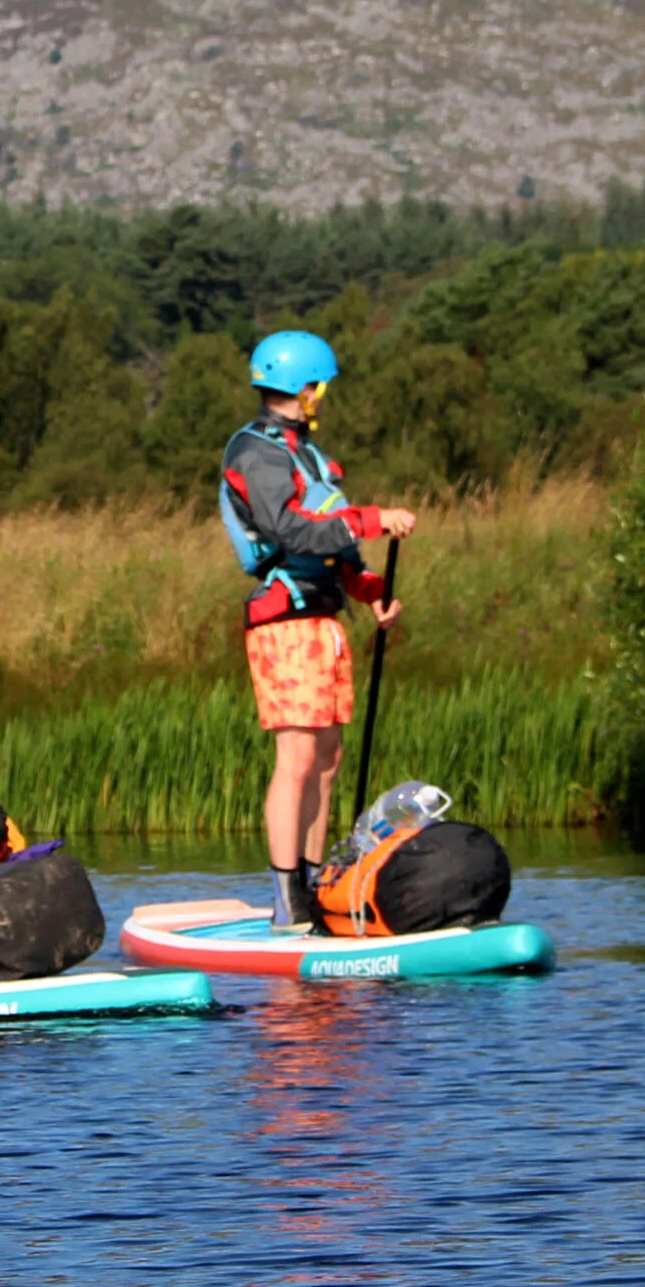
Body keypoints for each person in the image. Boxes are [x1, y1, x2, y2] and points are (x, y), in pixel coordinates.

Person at [218, 330, 417, 933]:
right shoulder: (256, 453)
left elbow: (333, 542)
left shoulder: (311, 456)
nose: (321, 399)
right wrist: (371, 518)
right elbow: (288, 531)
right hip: (284, 624)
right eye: (318, 389)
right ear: (304, 388)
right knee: (298, 756)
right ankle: (287, 901)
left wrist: (368, 588)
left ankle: (313, 882)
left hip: (324, 621)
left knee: (327, 759)